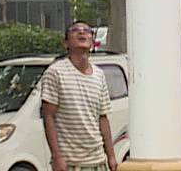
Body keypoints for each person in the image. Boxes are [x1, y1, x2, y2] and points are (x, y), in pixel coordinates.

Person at [39, 21, 121, 171]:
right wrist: (57, 156)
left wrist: (111, 156)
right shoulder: (55, 72)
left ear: (92, 41)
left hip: (98, 161)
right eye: (75, 30)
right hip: (70, 163)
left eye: (87, 30)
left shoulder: (99, 75)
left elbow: (103, 118)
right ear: (66, 43)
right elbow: (48, 116)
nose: (82, 32)